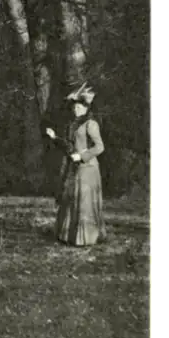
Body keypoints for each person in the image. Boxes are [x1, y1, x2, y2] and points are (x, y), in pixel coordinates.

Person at [44, 81, 106, 246]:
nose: (75, 109)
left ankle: (87, 237)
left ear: (86, 108)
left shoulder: (91, 124)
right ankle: (70, 236)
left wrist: (82, 156)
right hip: (76, 168)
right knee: (72, 199)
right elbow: (69, 146)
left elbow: (100, 147)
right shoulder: (73, 124)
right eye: (74, 107)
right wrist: (54, 138)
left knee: (84, 202)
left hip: (88, 168)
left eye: (79, 107)